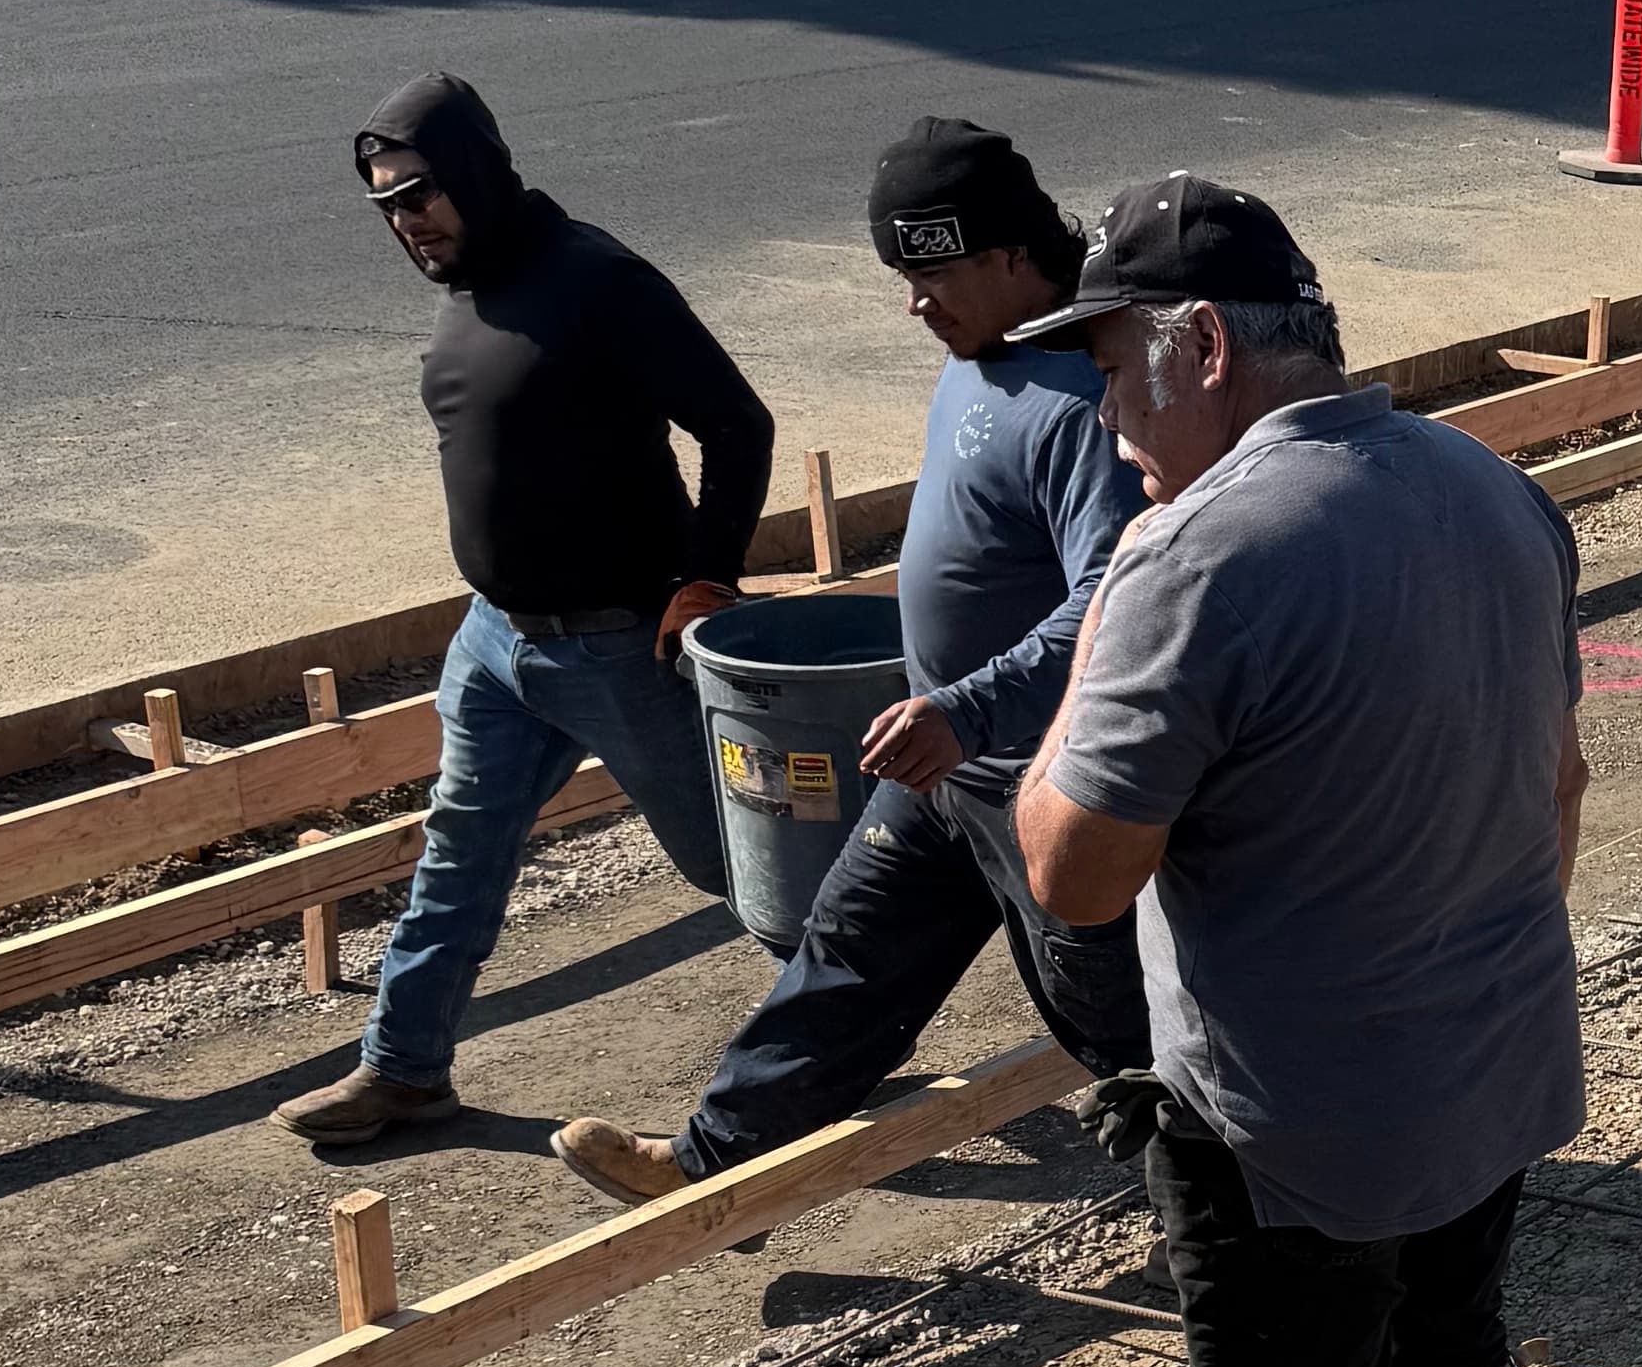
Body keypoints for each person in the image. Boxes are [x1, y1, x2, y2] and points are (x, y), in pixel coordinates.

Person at [1013, 172, 1589, 1367]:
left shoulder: (1196, 553)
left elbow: (1072, 872)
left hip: (1285, 1119)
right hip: (1484, 1060)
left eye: (1116, 371)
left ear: (1199, 346)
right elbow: (1554, 792)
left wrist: (1096, 636)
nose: (1108, 421)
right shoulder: (1495, 491)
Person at [552, 119, 1151, 1205]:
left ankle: (1240, 1220)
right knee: (846, 957)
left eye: (932, 273)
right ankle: (707, 1168)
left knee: (1123, 1024)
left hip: (1044, 780)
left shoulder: (1081, 397)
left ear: (1014, 256)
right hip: (944, 764)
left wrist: (969, 707)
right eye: (901, 277)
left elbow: (1114, 605)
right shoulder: (981, 359)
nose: (915, 303)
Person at [280, 72, 770, 1149]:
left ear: (473, 176)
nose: (407, 224)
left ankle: (854, 1022)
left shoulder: (596, 278)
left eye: (419, 196)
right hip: (497, 639)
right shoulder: (470, 282)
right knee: (460, 851)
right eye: (387, 208)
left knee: (740, 867)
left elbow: (737, 426)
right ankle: (404, 1071)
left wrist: (708, 581)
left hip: (623, 643)